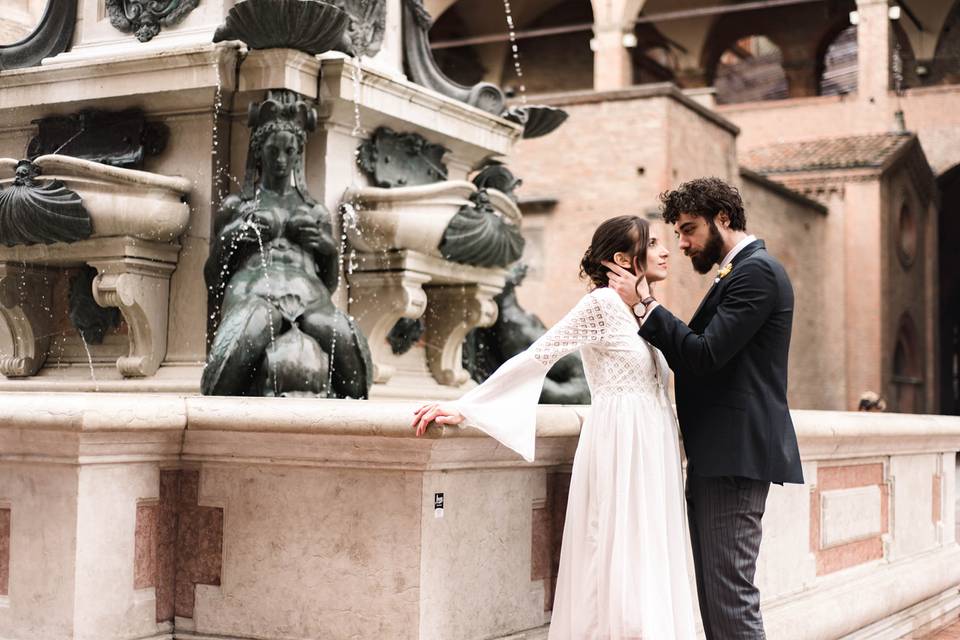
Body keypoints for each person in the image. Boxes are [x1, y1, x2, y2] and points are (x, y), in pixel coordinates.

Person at [413, 215, 698, 639]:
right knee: (618, 557)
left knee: (652, 555)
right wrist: (467, 407)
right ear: (623, 258)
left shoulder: (644, 311)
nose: (664, 251)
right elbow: (538, 356)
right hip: (619, 444)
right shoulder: (599, 305)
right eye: (652, 243)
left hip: (653, 446)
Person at [603, 177, 803, 640]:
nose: (683, 243)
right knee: (719, 596)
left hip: (733, 457)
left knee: (730, 599)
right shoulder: (738, 273)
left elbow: (704, 355)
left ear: (724, 219)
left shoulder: (757, 272)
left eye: (689, 229)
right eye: (676, 233)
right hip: (722, 455)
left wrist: (645, 305)